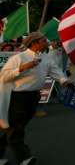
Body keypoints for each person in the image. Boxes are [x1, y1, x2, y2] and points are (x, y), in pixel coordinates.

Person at [0, 31, 69, 165]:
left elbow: (55, 71)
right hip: (18, 96)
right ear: (34, 44)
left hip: (34, 96)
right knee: (16, 127)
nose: (47, 43)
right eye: (43, 41)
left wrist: (65, 81)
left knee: (15, 127)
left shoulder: (46, 58)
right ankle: (24, 158)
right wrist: (22, 68)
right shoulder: (19, 58)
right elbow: (5, 76)